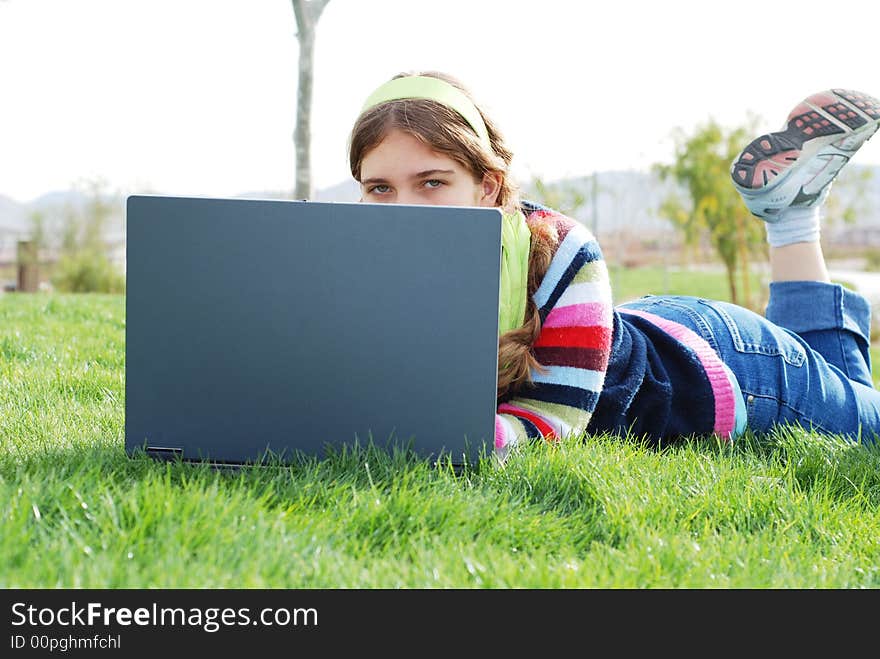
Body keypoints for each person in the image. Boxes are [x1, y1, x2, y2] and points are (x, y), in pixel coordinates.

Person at [348, 71, 880, 461]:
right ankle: (792, 215)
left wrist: (430, 437)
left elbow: (551, 421)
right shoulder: (354, 268)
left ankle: (792, 216)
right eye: (380, 188)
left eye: (432, 182)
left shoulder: (561, 249)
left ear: (486, 187)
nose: (404, 209)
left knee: (869, 427)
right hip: (640, 325)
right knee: (851, 392)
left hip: (727, 368)